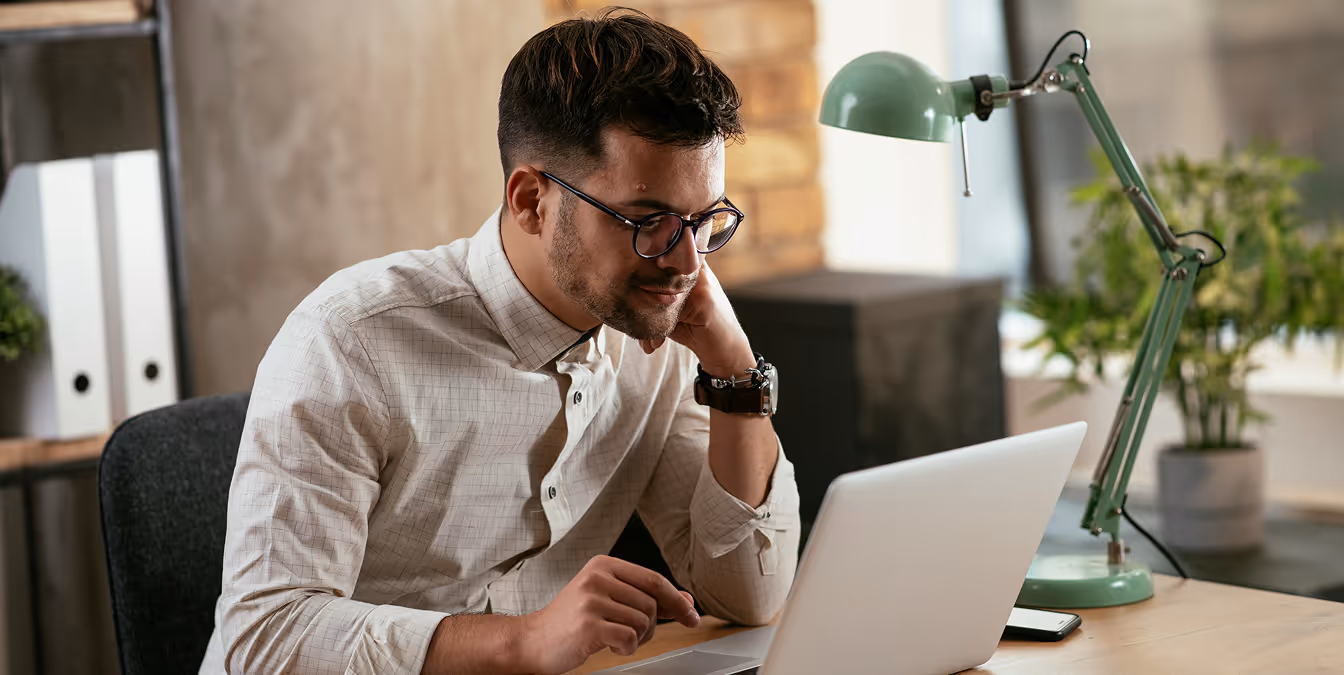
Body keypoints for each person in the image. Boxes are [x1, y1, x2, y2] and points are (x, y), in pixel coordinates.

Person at [200, 8, 800, 674]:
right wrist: (524, 640)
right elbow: (266, 639)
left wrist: (736, 371)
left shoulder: (657, 337)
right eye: (648, 220)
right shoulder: (350, 341)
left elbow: (752, 595)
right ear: (531, 201)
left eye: (701, 220)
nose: (686, 260)